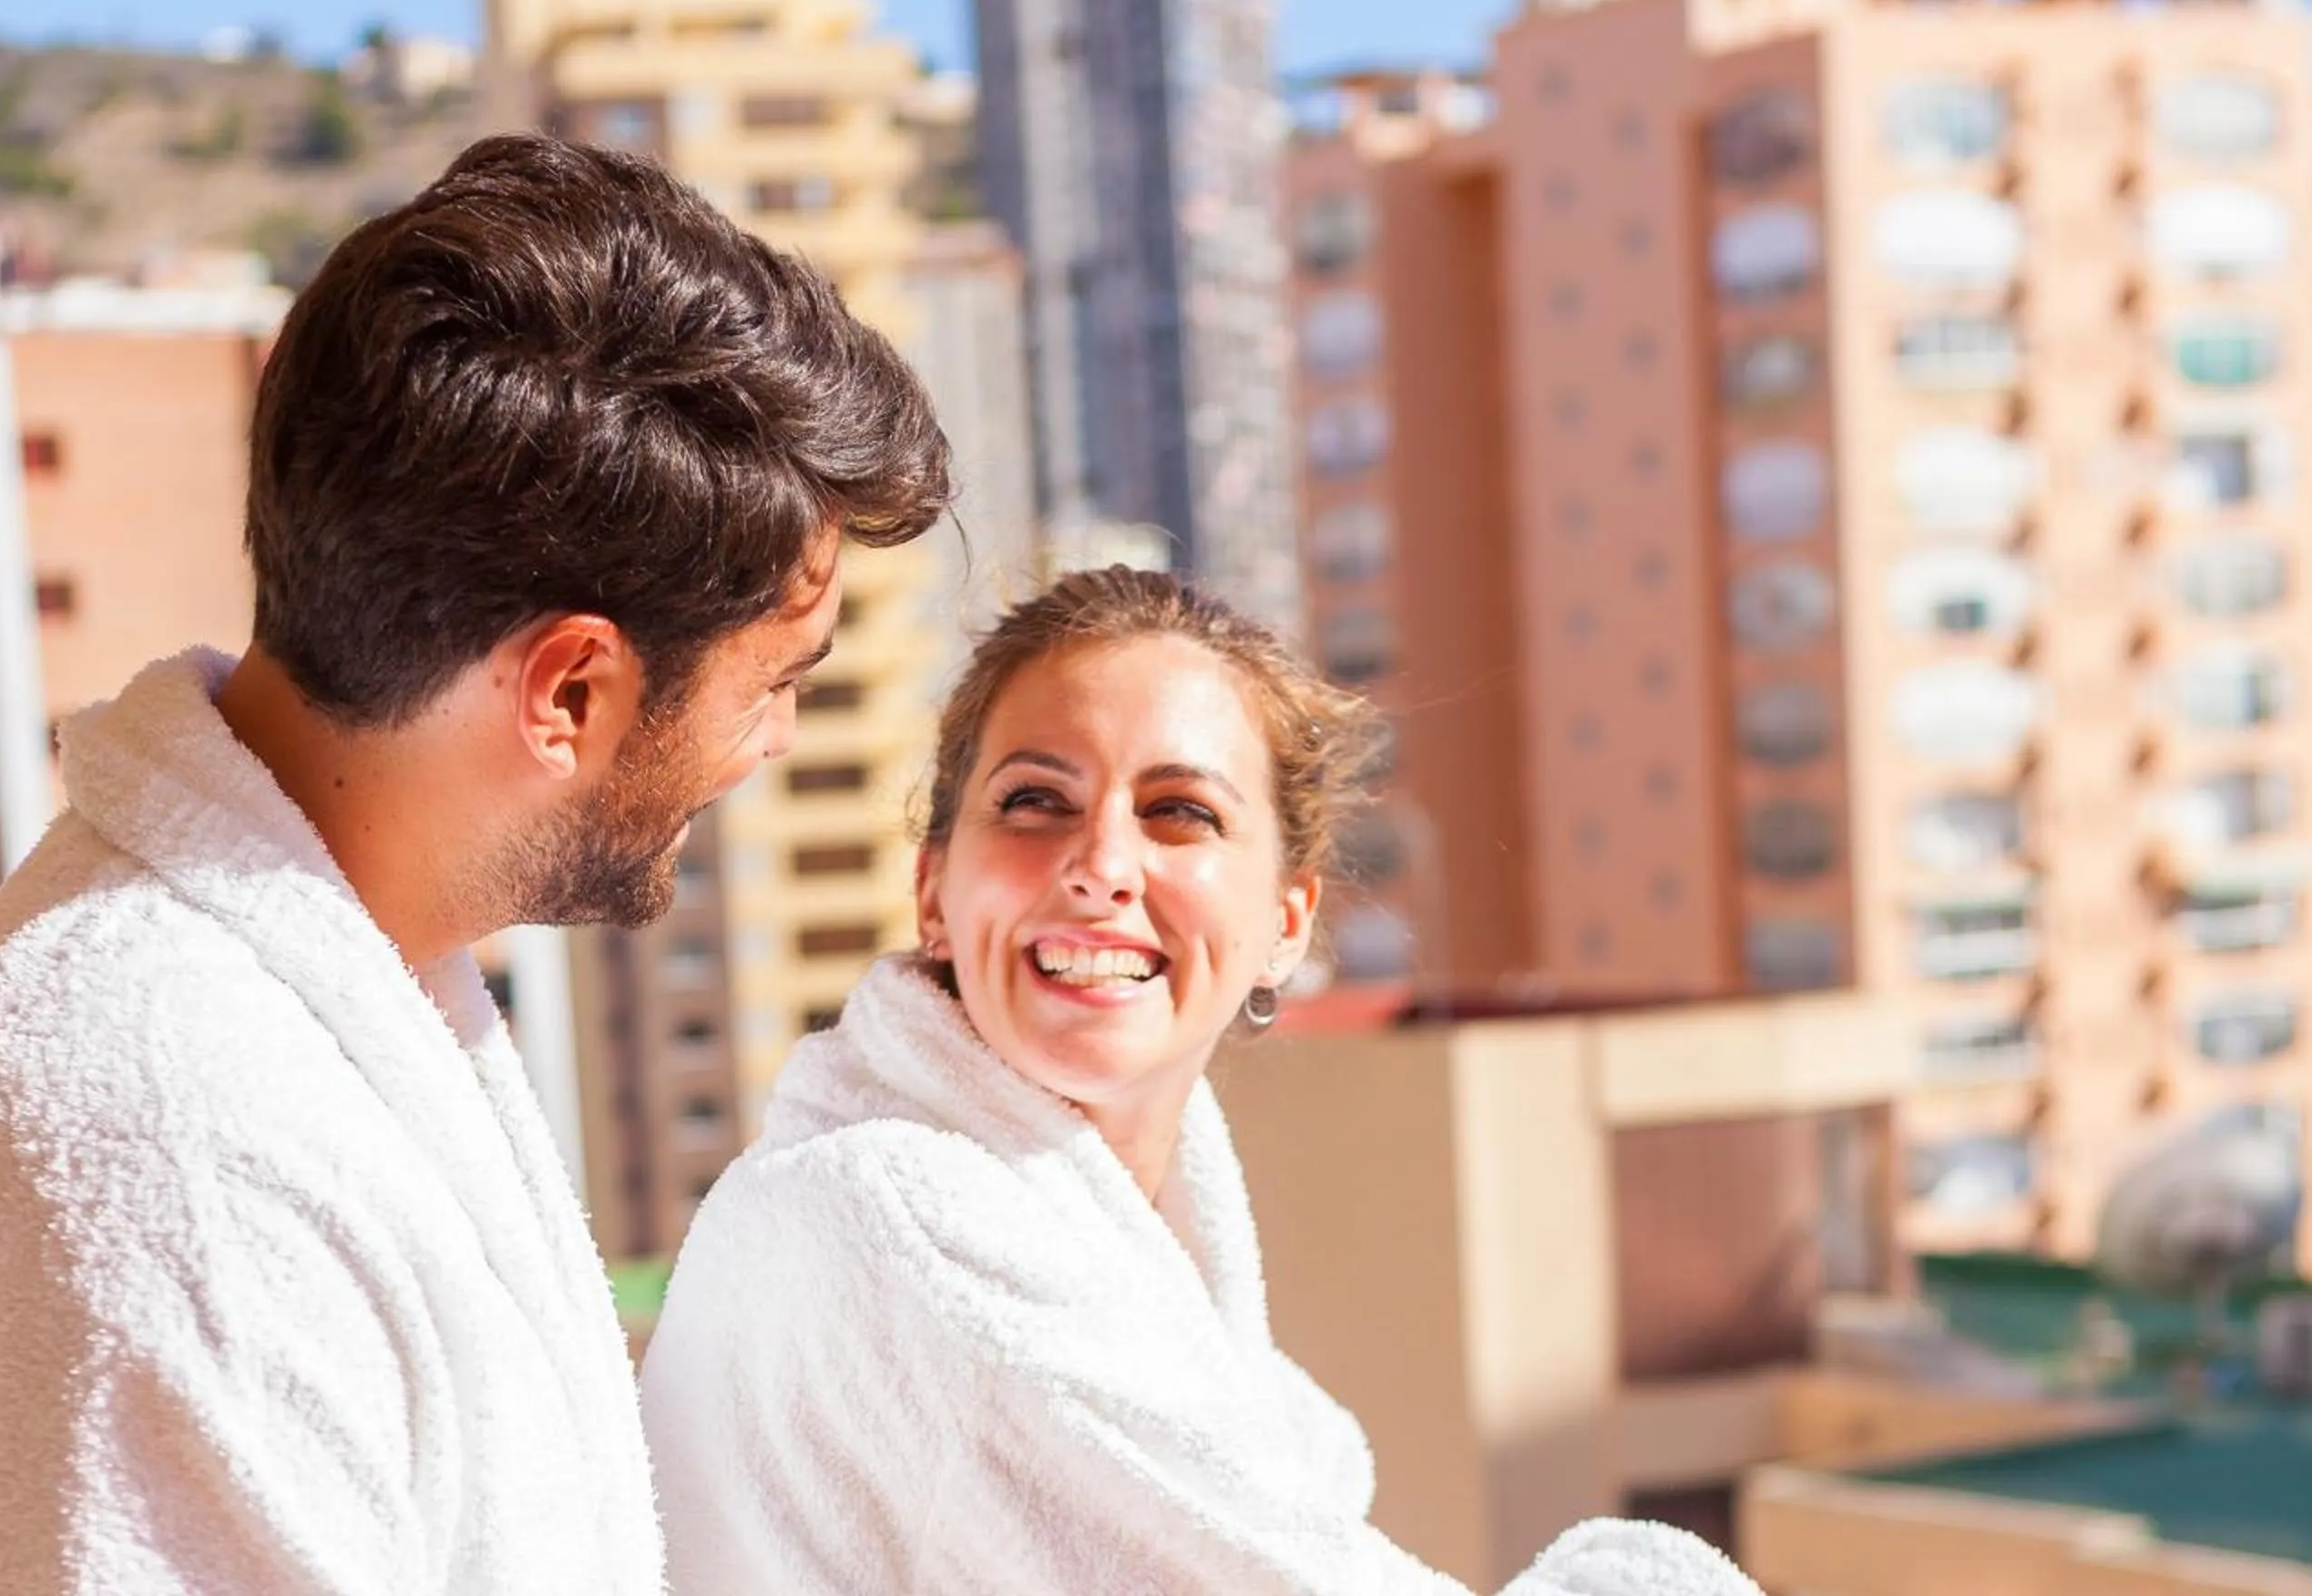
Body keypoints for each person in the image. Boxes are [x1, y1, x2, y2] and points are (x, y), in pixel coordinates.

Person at [0, 134, 953, 1595]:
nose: (776, 743)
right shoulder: (186, 1159)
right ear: (569, 695)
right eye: (775, 680)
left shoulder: (308, 1002)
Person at [639, 568, 1759, 1595]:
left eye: (1181, 812)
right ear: (935, 890)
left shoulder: (1154, 1311)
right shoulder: (888, 1219)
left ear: (1284, 923)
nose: (1102, 866)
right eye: (1036, 801)